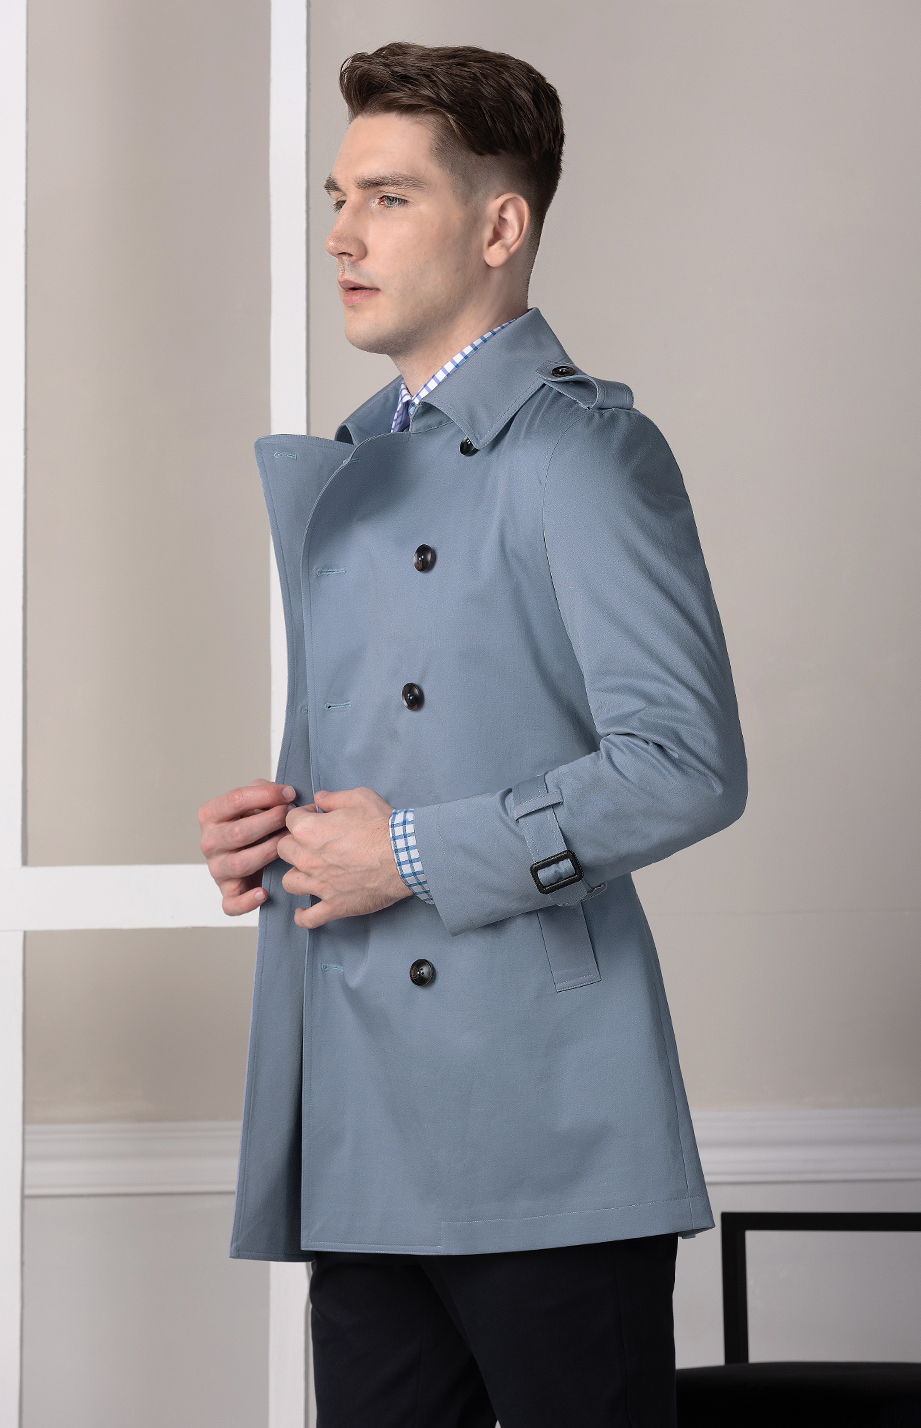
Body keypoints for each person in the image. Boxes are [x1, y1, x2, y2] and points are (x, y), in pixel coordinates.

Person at [198, 41, 746, 1428]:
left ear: (500, 227)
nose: (341, 234)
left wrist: (409, 856)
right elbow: (404, 759)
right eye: (337, 198)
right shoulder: (363, 459)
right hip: (368, 1118)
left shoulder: (582, 452)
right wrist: (285, 837)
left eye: (388, 198)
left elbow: (685, 765)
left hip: (543, 1121)